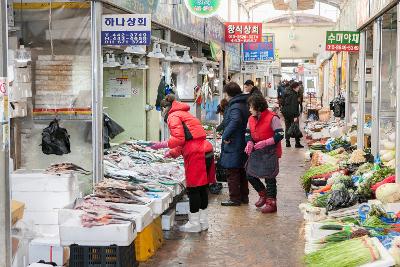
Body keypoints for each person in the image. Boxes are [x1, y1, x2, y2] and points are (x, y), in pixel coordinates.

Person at [151, 94, 216, 233]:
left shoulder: (173, 116)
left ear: (165, 108)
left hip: (196, 153)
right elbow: (187, 139)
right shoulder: (185, 113)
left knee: (193, 188)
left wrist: (163, 144)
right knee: (202, 188)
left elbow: (179, 139)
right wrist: (173, 153)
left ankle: (193, 223)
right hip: (206, 150)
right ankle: (202, 221)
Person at [245, 95, 284, 213]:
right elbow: (247, 133)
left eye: (251, 107)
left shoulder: (272, 117)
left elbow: (280, 134)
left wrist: (266, 142)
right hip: (257, 150)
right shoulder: (251, 118)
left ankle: (271, 203)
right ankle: (263, 194)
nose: (249, 109)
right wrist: (249, 142)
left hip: (270, 151)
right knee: (249, 173)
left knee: (269, 177)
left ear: (258, 107)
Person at [220, 82, 250, 206]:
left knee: (232, 171)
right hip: (242, 141)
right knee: (242, 170)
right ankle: (244, 196)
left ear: (228, 94)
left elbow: (235, 121)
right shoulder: (243, 103)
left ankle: (234, 198)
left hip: (235, 142)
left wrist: (225, 135)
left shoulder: (235, 106)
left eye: (225, 94)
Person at [281, 81, 304, 148]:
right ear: (295, 88)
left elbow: (282, 103)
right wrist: (295, 116)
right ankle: (297, 143)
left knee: (287, 127)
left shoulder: (286, 92)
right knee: (296, 127)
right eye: (298, 87)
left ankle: (287, 142)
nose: (299, 89)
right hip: (293, 114)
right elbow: (294, 106)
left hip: (286, 113)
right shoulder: (294, 95)